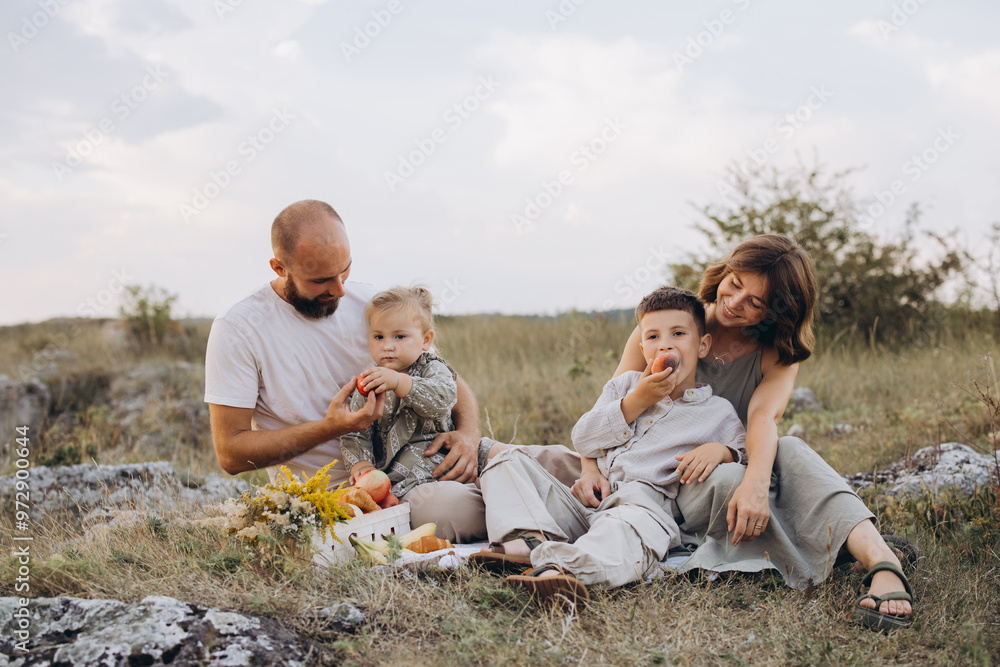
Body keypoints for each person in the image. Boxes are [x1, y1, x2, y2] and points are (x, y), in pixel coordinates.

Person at [569, 234, 914, 629]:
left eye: (756, 302)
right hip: (669, 480)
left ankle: (882, 561)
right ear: (725, 270)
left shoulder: (776, 353)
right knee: (737, 477)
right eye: (735, 284)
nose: (734, 303)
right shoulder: (671, 323)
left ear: (778, 312)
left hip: (731, 460)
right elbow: (610, 409)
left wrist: (753, 479)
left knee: (791, 450)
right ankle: (840, 550)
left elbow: (764, 421)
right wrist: (589, 467)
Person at [203, 200, 488, 542]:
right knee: (467, 509)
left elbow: (445, 378)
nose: (339, 290)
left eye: (345, 270)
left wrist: (469, 435)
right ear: (279, 267)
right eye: (321, 279)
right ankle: (533, 527)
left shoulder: (370, 304)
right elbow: (231, 454)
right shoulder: (238, 328)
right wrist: (328, 428)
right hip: (352, 497)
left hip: (427, 457)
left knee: (545, 463)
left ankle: (541, 518)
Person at [472, 288, 746, 607]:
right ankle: (530, 540)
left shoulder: (717, 411)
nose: (666, 344)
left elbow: (746, 456)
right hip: (588, 502)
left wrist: (723, 452)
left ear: (702, 345)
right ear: (643, 348)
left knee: (624, 533)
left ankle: (562, 571)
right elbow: (583, 437)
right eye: (654, 336)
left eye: (678, 334)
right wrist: (635, 402)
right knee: (507, 460)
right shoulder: (624, 387)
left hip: (644, 506)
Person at [341, 286, 462, 499]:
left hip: (441, 455)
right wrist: (360, 462)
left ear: (426, 340)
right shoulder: (370, 382)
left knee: (497, 457)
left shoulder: (432, 368)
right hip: (402, 473)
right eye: (379, 337)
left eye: (399, 336)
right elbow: (356, 429)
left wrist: (400, 382)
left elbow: (443, 399)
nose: (388, 346)